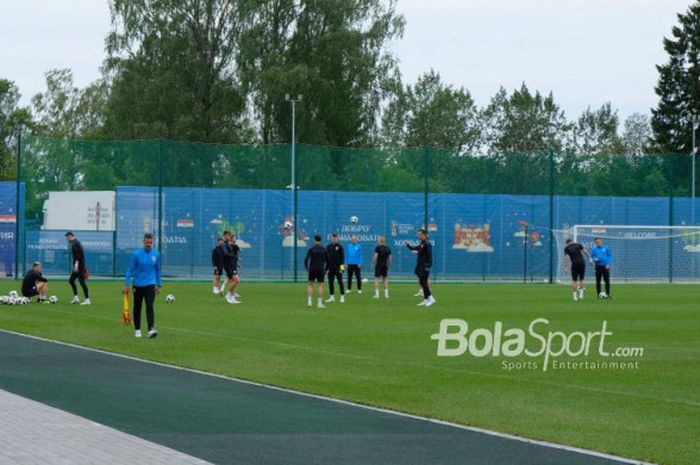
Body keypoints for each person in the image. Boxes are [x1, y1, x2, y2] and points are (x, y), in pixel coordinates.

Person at [124, 233, 162, 338]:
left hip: (151, 284)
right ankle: (137, 330)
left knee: (149, 306)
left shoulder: (156, 254)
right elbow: (129, 270)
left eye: (151, 242)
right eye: (147, 242)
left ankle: (150, 329)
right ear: (143, 242)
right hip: (137, 285)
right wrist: (126, 284)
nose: (149, 244)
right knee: (137, 307)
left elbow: (158, 270)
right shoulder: (136, 254)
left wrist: (159, 284)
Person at [406, 229, 435, 307]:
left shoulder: (427, 243)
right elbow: (414, 248)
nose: (418, 236)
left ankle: (431, 298)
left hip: (425, 266)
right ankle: (426, 300)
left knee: (423, 282)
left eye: (419, 234)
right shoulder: (422, 243)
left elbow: (429, 255)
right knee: (422, 282)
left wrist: (428, 265)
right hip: (420, 265)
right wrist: (408, 245)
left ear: (424, 235)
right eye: (418, 234)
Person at [65, 232, 90, 305]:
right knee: (71, 280)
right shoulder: (77, 243)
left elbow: (78, 256)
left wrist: (76, 266)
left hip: (79, 266)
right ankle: (76, 298)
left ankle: (87, 299)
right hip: (79, 265)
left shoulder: (75, 244)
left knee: (82, 282)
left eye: (67, 238)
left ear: (70, 236)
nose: (67, 240)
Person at [305, 234, 328, 309]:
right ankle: (319, 303)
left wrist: (307, 268)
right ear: (320, 240)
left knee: (310, 285)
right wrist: (326, 270)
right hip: (320, 269)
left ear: (314, 240)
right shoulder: (324, 249)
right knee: (320, 285)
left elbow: (306, 260)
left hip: (312, 269)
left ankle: (309, 302)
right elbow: (328, 261)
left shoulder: (311, 249)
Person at [220, 231, 241, 304]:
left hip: (231, 264)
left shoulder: (228, 244)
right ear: (225, 236)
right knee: (236, 280)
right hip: (228, 265)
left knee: (236, 280)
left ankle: (232, 298)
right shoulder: (223, 245)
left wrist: (236, 261)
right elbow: (225, 254)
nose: (230, 237)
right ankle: (228, 295)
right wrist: (236, 257)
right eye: (229, 235)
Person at [325, 233, 345, 303]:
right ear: (331, 239)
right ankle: (332, 297)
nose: (334, 239)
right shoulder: (328, 247)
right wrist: (326, 269)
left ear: (337, 239)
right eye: (333, 238)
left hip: (338, 268)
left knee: (340, 282)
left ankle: (342, 297)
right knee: (330, 282)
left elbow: (342, 259)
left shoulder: (340, 247)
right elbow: (327, 259)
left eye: (335, 238)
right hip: (330, 268)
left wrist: (342, 269)